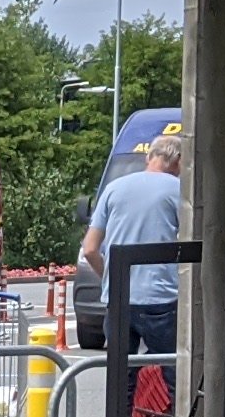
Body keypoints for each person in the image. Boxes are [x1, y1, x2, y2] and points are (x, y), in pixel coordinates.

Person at [78, 130, 185, 357]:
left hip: (118, 298)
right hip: (160, 297)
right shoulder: (178, 191)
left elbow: (89, 249)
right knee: (170, 370)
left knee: (121, 377)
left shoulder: (114, 188)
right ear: (178, 162)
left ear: (149, 158)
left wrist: (111, 277)